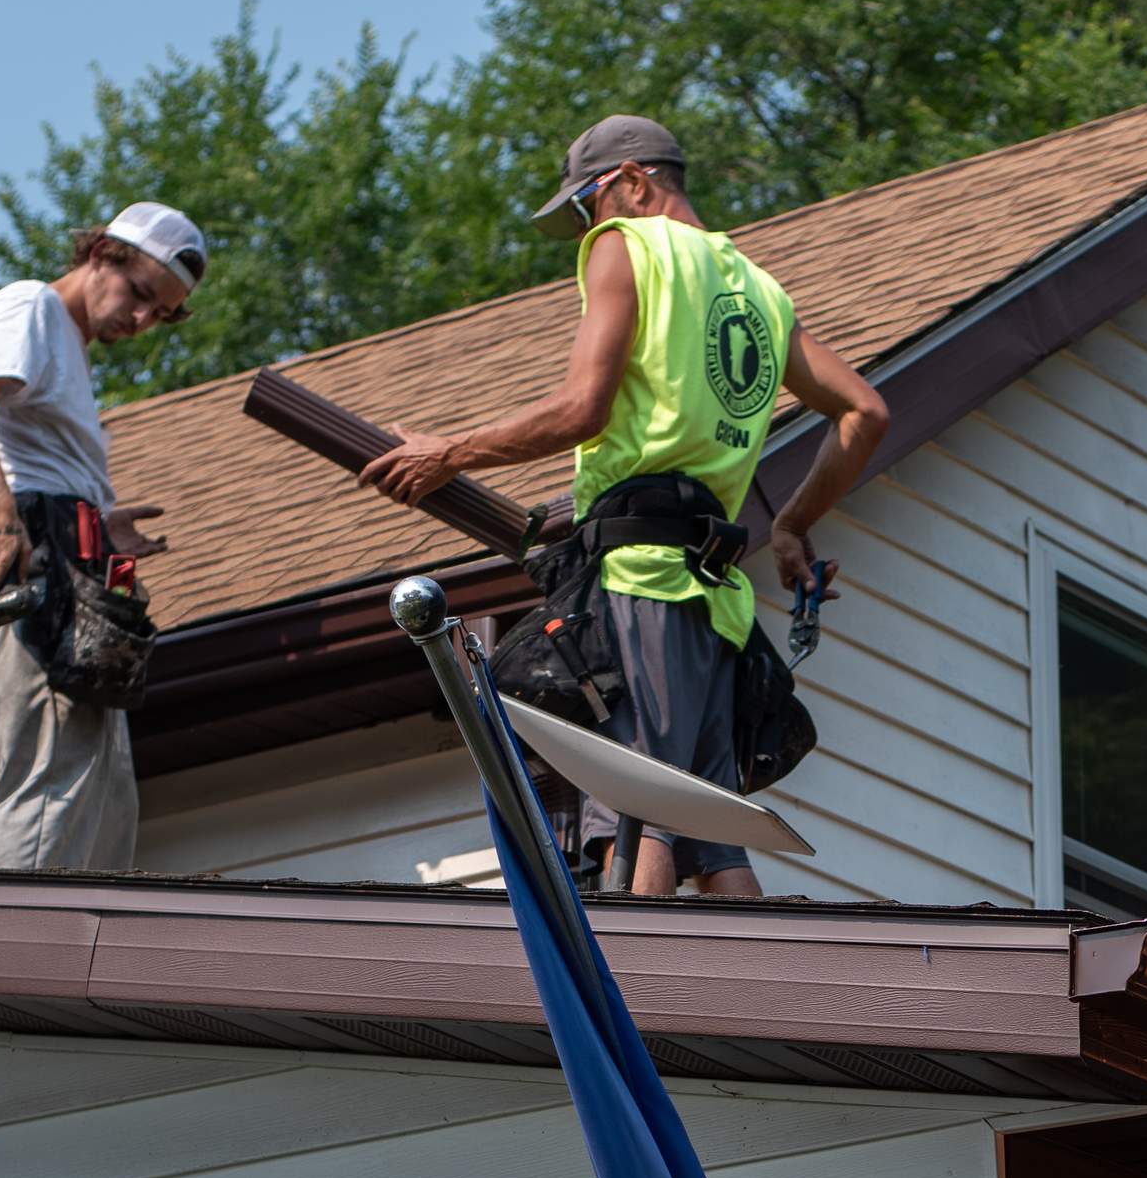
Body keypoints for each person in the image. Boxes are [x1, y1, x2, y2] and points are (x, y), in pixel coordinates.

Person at [362, 117, 887, 900]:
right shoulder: (760, 292)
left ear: (634, 183)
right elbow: (864, 413)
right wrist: (792, 525)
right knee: (714, 836)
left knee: (636, 810)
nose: (587, 226)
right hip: (716, 600)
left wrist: (452, 450)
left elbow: (582, 409)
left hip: (641, 576)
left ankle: (631, 994)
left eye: (587, 206)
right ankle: (735, 1010)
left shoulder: (629, 245)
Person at [0, 206, 205, 871]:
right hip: (39, 563)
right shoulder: (32, 307)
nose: (140, 321)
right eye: (140, 294)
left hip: (70, 554)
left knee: (104, 790)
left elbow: (38, 457)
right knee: (51, 778)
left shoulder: (68, 349)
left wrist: (99, 523)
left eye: (159, 314)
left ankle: (82, 951)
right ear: (103, 255)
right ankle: (10, 951)